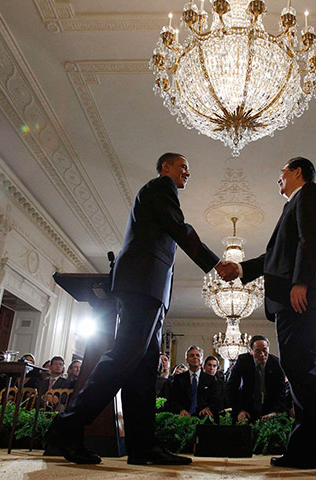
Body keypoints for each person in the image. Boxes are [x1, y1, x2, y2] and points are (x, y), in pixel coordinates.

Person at [45, 153, 223, 466]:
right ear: (165, 167)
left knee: (143, 369)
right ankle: (66, 426)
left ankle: (143, 446)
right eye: (183, 166)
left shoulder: (159, 193)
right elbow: (180, 228)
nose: (187, 173)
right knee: (123, 357)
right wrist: (216, 264)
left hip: (150, 291)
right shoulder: (160, 188)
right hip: (142, 286)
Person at [220, 157, 316, 470]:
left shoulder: (309, 194)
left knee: (299, 366)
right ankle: (303, 451)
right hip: (301, 299)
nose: (279, 179)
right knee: (303, 372)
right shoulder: (293, 205)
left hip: (301, 299)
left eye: (282, 173)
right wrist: (241, 268)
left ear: (297, 172)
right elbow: (276, 257)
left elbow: (312, 238)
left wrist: (301, 281)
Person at [227, 335, 287, 423]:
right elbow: (231, 388)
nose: (262, 354)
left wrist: (275, 412)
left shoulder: (276, 363)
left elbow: (281, 392)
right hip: (246, 407)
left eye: (264, 350)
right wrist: (239, 410)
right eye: (258, 351)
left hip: (270, 408)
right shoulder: (242, 361)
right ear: (251, 351)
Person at [165, 345, 219, 418]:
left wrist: (208, 408)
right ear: (187, 360)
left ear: (201, 359)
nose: (195, 357)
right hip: (184, 417)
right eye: (192, 355)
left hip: (204, 417)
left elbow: (215, 400)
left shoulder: (211, 379)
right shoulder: (179, 378)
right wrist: (181, 410)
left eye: (198, 355)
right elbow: (173, 400)